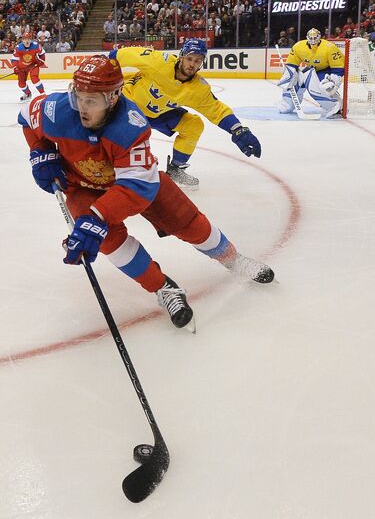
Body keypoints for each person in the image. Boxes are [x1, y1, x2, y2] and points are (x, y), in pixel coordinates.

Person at [18, 55, 274, 332]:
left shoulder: (131, 125)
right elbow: (26, 118)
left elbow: (135, 187)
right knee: (107, 241)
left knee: (188, 223)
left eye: (92, 100)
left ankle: (233, 259)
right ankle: (163, 288)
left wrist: (98, 215)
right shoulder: (56, 109)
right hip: (82, 187)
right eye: (78, 97)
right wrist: (40, 151)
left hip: (138, 184)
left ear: (114, 97)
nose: (81, 107)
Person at [109, 39, 261, 190]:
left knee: (194, 125)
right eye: (189, 58)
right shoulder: (158, 62)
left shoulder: (198, 89)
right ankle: (108, 166)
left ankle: (176, 168)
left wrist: (238, 130)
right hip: (129, 105)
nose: (192, 64)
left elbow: (216, 109)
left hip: (159, 113)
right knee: (119, 138)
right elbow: (123, 55)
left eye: (197, 60)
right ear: (181, 56)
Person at [277, 28, 344, 118]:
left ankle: (335, 107)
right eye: (311, 38)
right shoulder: (298, 46)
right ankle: (287, 104)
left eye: (315, 38)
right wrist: (287, 77)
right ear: (307, 37)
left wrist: (334, 81)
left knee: (322, 87)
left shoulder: (329, 47)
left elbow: (338, 66)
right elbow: (291, 65)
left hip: (325, 71)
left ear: (319, 37)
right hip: (310, 69)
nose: (313, 40)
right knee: (294, 82)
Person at [11, 31, 46, 101]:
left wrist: (41, 61)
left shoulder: (36, 45)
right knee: (21, 83)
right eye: (25, 39)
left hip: (33, 65)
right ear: (22, 39)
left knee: (34, 78)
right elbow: (14, 59)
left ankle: (43, 95)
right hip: (22, 67)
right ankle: (27, 93)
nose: (27, 41)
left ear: (31, 39)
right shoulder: (18, 47)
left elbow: (42, 54)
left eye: (28, 39)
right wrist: (15, 67)